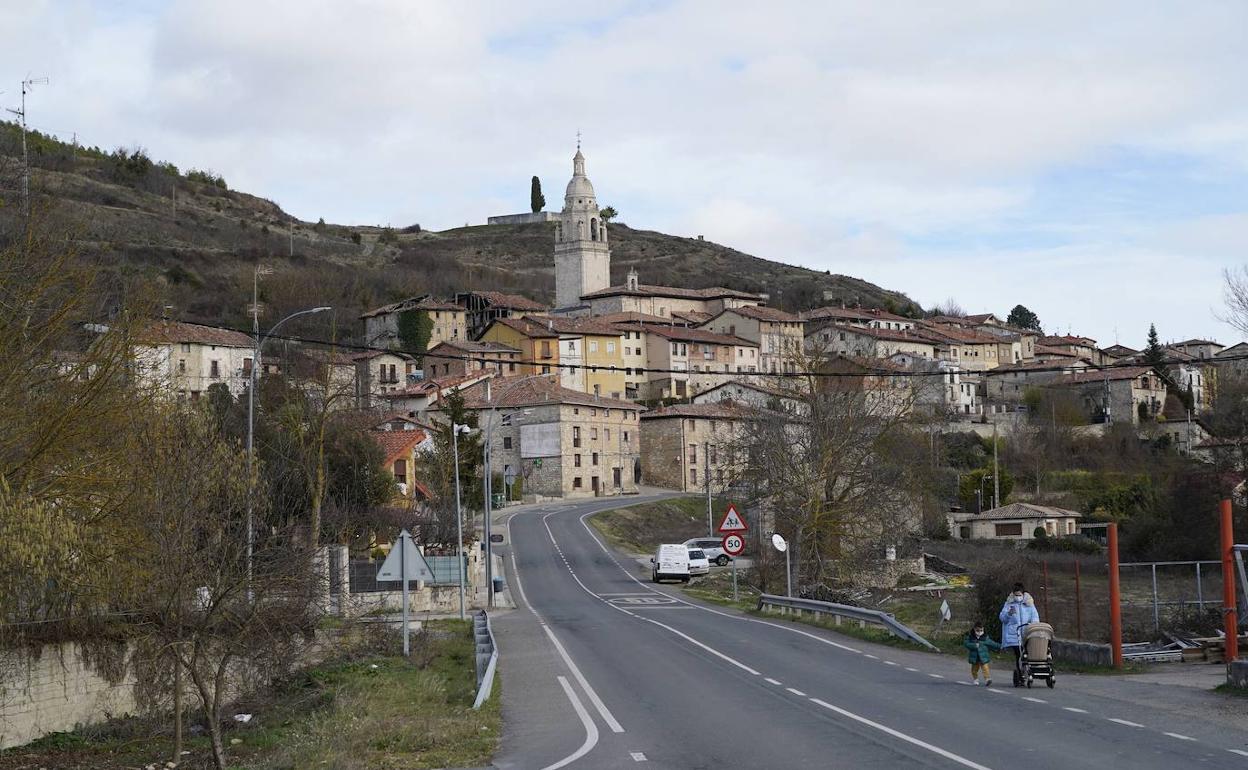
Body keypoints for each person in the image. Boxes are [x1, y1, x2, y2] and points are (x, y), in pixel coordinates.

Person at [999, 582, 1040, 686]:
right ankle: (1020, 674)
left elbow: (1035, 616)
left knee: (1027, 654)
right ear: (1013, 594)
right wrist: (1009, 614)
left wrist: (1033, 625)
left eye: (1019, 595)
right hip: (1014, 634)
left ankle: (1027, 671)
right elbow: (1002, 618)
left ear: (1023, 594)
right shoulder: (1009, 604)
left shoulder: (1029, 604)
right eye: (1016, 595)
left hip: (1027, 633)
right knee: (1019, 655)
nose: (1018, 597)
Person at [964, 622, 1001, 686]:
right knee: (974, 669)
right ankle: (975, 679)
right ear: (974, 629)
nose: (979, 632)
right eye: (977, 630)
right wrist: (974, 645)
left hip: (983, 657)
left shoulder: (985, 638)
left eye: (981, 630)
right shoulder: (970, 638)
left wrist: (1001, 646)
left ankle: (987, 679)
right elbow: (966, 644)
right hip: (975, 657)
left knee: (985, 668)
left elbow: (993, 644)